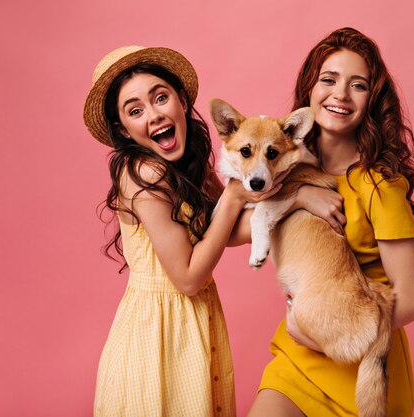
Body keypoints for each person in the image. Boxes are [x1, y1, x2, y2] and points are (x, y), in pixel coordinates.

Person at [83, 46, 284, 417]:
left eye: (160, 97)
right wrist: (237, 193)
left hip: (194, 325)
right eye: (135, 110)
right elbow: (189, 278)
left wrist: (297, 200)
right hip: (156, 336)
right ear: (122, 129)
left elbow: (230, 227)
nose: (154, 114)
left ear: (181, 99)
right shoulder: (145, 173)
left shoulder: (187, 162)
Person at [247, 28, 414, 417]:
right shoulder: (281, 164)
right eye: (328, 80)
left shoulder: (380, 184)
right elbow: (234, 232)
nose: (340, 95)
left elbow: (413, 298)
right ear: (309, 89)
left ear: (372, 99)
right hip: (296, 363)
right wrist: (297, 195)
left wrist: (322, 337)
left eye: (358, 85)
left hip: (361, 369)